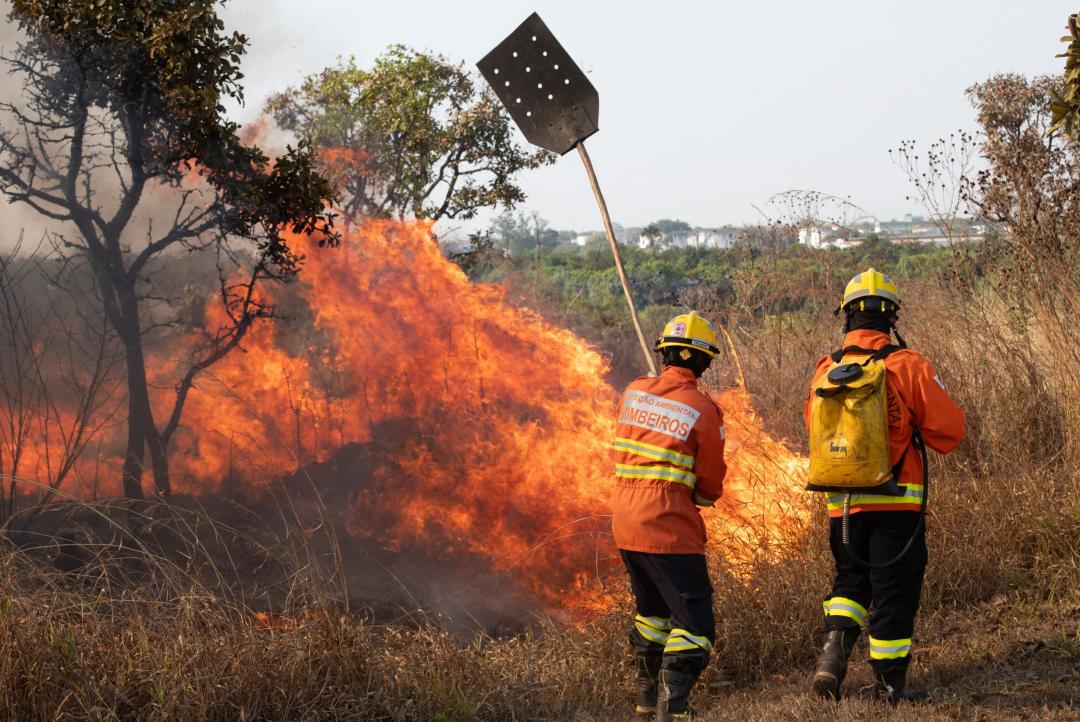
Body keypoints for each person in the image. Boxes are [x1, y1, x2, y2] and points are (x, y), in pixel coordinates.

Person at [806, 268, 965, 703]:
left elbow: (815, 430)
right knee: (894, 591)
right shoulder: (907, 365)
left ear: (847, 317)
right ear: (891, 318)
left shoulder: (826, 369)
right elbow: (949, 432)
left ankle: (831, 655)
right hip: (898, 503)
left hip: (842, 505)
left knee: (850, 582)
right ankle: (890, 686)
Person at [611, 311, 727, 721]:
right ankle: (673, 709)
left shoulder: (633, 392)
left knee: (651, 616)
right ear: (704, 361)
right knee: (694, 624)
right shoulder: (701, 407)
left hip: (625, 525)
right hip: (668, 529)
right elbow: (710, 483)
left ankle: (645, 702)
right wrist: (701, 495)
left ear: (663, 354)